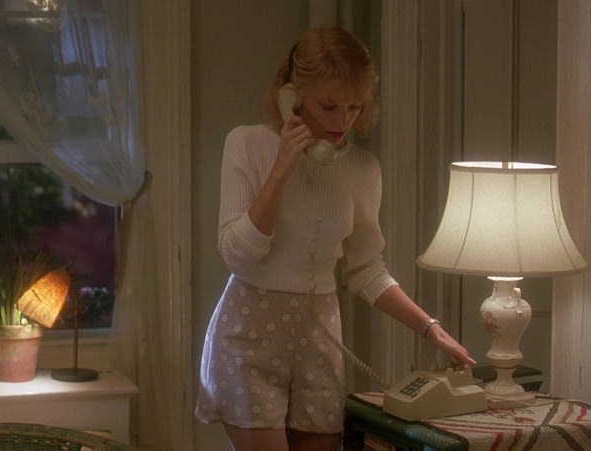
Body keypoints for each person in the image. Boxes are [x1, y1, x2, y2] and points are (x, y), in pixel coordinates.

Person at [194, 27, 476, 451]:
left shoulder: (363, 170)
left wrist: (430, 328)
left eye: (354, 107)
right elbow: (237, 255)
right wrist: (282, 167)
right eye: (329, 106)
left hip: (319, 338)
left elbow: (367, 270)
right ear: (293, 96)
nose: (343, 121)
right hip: (248, 336)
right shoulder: (246, 144)